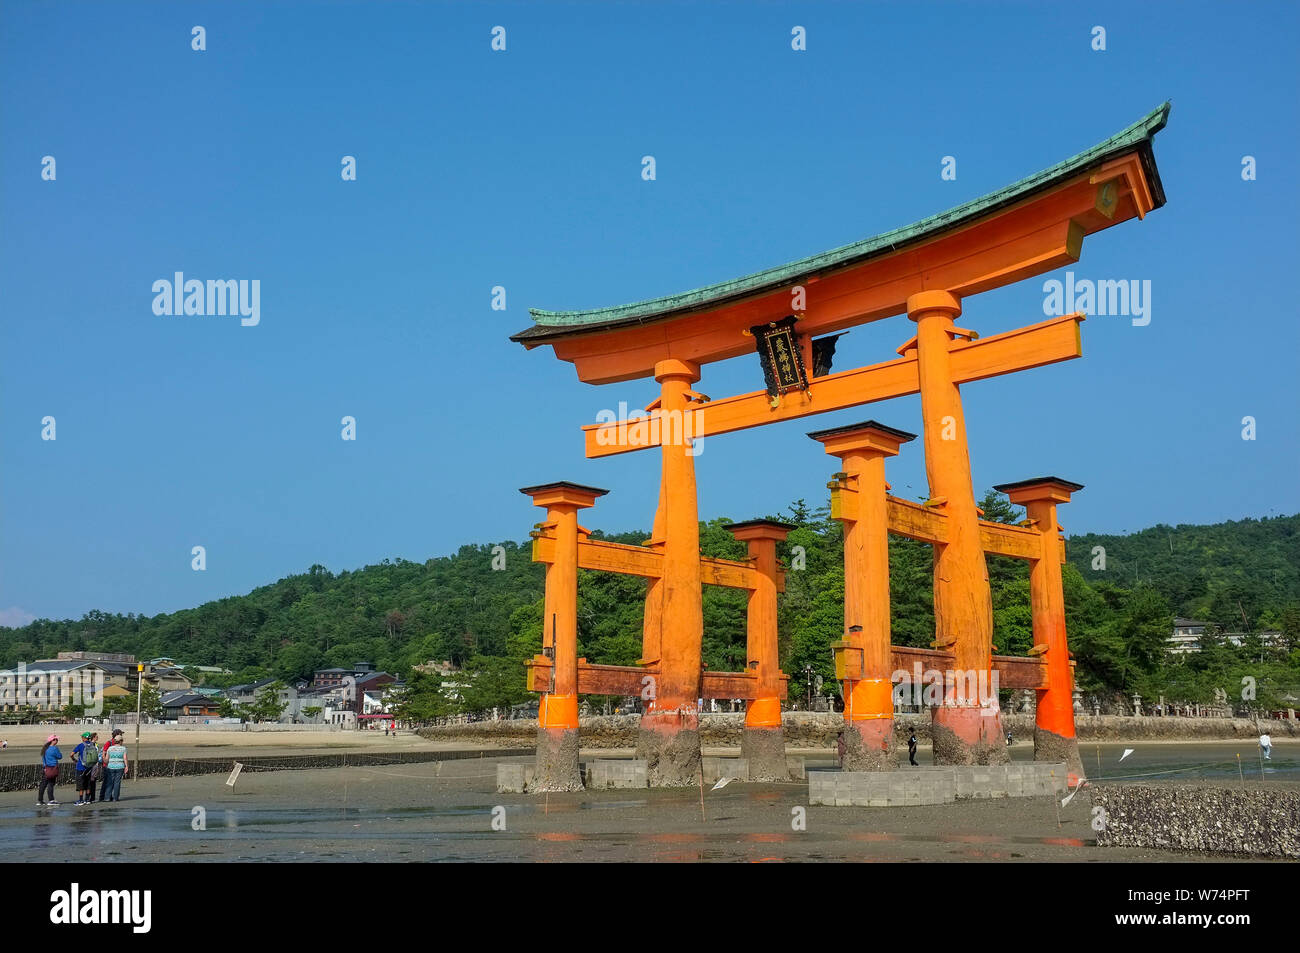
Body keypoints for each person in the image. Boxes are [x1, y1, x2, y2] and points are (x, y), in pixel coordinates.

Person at [101, 731, 129, 802]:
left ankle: (107, 798)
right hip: (120, 767)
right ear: (120, 741)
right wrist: (126, 767)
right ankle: (115, 798)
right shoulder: (123, 748)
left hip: (110, 767)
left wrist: (103, 757)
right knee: (117, 783)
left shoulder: (110, 748)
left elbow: (107, 760)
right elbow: (125, 758)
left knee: (109, 782)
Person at [38, 734, 63, 806]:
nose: (57, 741)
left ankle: (40, 800)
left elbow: (43, 759)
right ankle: (51, 800)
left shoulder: (45, 748)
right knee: (51, 784)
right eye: (56, 739)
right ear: (52, 741)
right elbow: (60, 756)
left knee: (43, 784)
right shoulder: (54, 748)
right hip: (52, 768)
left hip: (45, 768)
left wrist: (45, 767)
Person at [73, 732, 97, 805]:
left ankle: (81, 800)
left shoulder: (81, 745)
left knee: (81, 784)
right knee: (88, 784)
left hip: (81, 767)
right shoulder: (92, 744)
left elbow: (71, 754)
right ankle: (87, 799)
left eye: (82, 737)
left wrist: (73, 759)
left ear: (84, 738)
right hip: (89, 767)